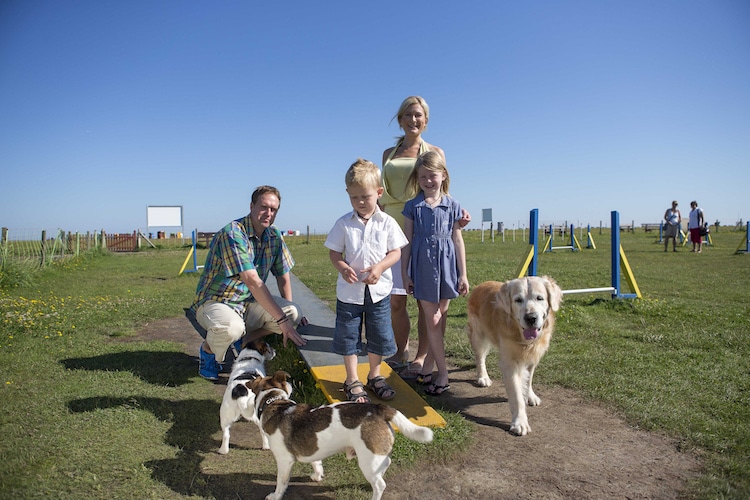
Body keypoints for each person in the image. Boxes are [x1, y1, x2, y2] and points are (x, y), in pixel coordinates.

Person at [380, 95, 470, 378]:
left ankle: (422, 357)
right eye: (408, 114)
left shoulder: (436, 151)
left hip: (425, 231)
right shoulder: (388, 154)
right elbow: (380, 191)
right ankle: (400, 350)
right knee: (396, 300)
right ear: (400, 119)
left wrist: (458, 214)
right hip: (392, 228)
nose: (413, 119)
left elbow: (443, 188)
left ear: (426, 120)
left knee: (424, 300)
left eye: (418, 115)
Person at [190, 185, 308, 381]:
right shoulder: (234, 233)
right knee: (231, 328)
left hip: (248, 302)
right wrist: (281, 321)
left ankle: (244, 340)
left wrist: (288, 321)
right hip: (218, 301)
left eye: (273, 209)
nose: (268, 213)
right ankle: (208, 351)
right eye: (264, 207)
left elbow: (283, 275)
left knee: (293, 313)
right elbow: (252, 280)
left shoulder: (274, 236)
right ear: (252, 206)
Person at [324, 159, 409, 402]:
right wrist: (342, 267)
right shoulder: (343, 223)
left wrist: (380, 267)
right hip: (349, 293)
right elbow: (334, 252)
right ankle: (352, 379)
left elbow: (396, 252)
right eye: (354, 198)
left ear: (379, 193)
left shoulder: (388, 222)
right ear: (348, 195)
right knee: (349, 335)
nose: (360, 202)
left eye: (366, 196)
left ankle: (375, 375)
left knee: (379, 334)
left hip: (379, 291)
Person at [401, 151, 469, 396]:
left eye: (432, 176)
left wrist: (463, 274)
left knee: (441, 319)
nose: (428, 181)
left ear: (443, 176)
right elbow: (406, 242)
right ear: (417, 179)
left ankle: (428, 367)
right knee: (433, 320)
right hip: (423, 267)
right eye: (422, 177)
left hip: (448, 266)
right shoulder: (412, 207)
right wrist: (404, 273)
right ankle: (443, 374)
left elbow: (457, 240)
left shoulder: (454, 206)